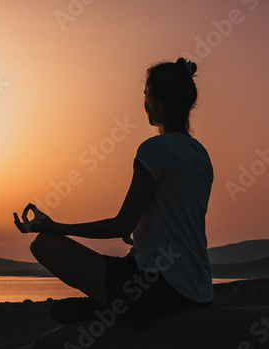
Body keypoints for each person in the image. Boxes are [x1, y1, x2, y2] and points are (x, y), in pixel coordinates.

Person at [13, 58, 213, 329]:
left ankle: (106, 307)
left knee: (43, 244)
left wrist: (54, 226)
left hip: (160, 290)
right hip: (200, 291)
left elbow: (121, 224)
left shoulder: (154, 149)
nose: (144, 104)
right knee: (131, 258)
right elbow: (176, 217)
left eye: (146, 95)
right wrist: (145, 234)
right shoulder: (200, 154)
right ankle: (105, 304)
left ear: (157, 99)